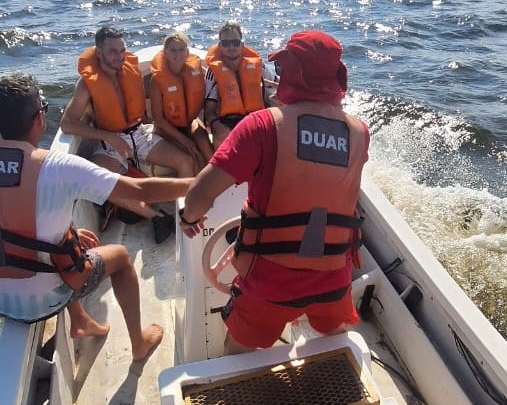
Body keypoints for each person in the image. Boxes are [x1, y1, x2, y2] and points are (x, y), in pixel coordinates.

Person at [0, 73, 192, 359]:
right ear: (39, 118)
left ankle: (80, 322)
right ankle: (139, 343)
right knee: (120, 257)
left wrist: (72, 237)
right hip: (38, 299)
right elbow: (139, 190)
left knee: (71, 242)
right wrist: (205, 183)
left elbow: (5, 221)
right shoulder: (56, 167)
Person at [180, 30, 369, 354]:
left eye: (282, 70)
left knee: (234, 353)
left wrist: (188, 218)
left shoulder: (262, 126)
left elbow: (201, 193)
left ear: (295, 73)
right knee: (336, 342)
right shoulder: (359, 131)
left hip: (269, 280)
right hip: (333, 276)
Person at [59, 26, 191, 242]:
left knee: (185, 160)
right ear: (99, 52)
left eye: (122, 50)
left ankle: (185, 216)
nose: (120, 57)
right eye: (113, 52)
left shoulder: (131, 70)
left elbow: (159, 84)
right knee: (100, 181)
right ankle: (158, 217)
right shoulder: (86, 84)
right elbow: (67, 124)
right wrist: (108, 136)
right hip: (109, 141)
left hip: (139, 133)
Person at [203, 20, 278, 147]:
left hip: (257, 119)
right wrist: (216, 125)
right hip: (228, 122)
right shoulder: (213, 72)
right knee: (221, 135)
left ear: (242, 44)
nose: (231, 47)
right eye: (226, 43)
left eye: (235, 42)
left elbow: (276, 86)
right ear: (220, 46)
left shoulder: (259, 67)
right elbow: (209, 110)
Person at [149, 31, 213, 171]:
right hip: (167, 128)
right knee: (192, 155)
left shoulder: (196, 71)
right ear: (165, 52)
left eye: (181, 50)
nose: (177, 54)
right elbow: (158, 118)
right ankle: (193, 190)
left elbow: (211, 90)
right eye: (172, 50)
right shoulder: (157, 79)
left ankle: (218, 187)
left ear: (187, 52)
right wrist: (183, 139)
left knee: (207, 149)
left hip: (190, 122)